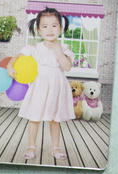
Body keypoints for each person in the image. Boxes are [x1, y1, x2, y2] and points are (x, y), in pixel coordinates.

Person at [18, 8, 77, 162]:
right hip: (40, 86)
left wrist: (58, 51)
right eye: (45, 26)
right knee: (34, 118)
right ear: (38, 30)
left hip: (57, 87)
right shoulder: (35, 48)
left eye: (54, 26)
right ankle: (31, 146)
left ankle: (56, 147)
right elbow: (19, 57)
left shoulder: (64, 49)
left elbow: (67, 67)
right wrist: (11, 67)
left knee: (54, 119)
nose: (49, 30)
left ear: (60, 28)